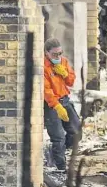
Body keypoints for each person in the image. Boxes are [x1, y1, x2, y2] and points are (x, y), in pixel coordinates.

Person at [44, 37, 81, 170]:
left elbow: (71, 81)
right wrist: (56, 106)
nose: (58, 56)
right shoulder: (43, 66)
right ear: (47, 53)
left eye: (60, 53)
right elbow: (46, 90)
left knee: (76, 131)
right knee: (58, 137)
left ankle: (54, 152)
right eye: (54, 54)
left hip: (65, 100)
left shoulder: (63, 61)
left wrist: (65, 74)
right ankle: (61, 168)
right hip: (51, 105)